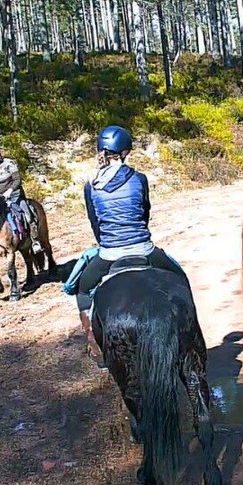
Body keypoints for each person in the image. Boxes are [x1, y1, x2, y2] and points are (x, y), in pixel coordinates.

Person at [73, 125, 188, 361]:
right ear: (125, 152)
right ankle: (190, 337)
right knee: (181, 279)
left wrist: (109, 242)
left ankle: (96, 347)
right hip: (144, 249)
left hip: (108, 254)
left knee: (83, 289)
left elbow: (95, 223)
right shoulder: (139, 178)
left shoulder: (91, 185)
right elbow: (145, 214)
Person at [0, 142, 37, 242]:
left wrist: (10, 191)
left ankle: (35, 240)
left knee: (28, 215)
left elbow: (17, 180)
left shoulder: (9, 163)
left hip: (15, 195)